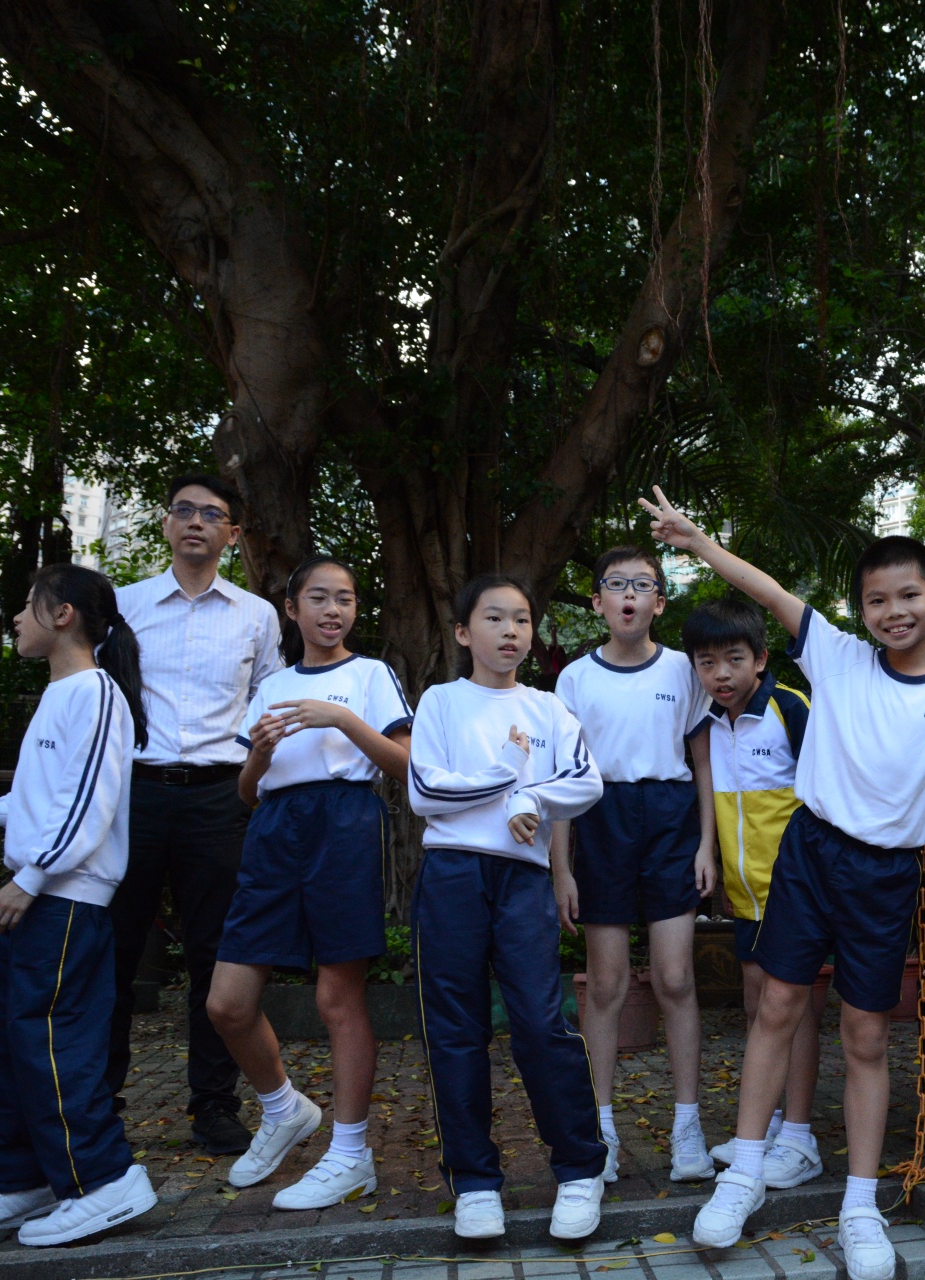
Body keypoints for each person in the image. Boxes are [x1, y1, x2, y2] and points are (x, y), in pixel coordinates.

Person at [640, 487, 925, 1280]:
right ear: (861, 610)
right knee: (777, 1006)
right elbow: (765, 590)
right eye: (877, 600)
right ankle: (743, 1174)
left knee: (865, 1035)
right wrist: (698, 543)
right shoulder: (836, 654)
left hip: (887, 874)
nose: (893, 612)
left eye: (909, 596)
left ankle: (861, 1206)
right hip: (810, 852)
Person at [0, 565, 158, 1246]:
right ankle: (22, 1180)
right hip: (39, 896)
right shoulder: (61, 693)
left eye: (27, 604)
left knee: (53, 1045)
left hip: (63, 901)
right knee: (7, 1045)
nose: (18, 617)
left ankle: (105, 1181)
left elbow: (89, 802)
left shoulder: (96, 692)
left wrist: (33, 877)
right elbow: (48, 797)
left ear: (63, 614)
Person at [204, 556, 414, 1207]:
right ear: (291, 610)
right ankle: (283, 1107)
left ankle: (350, 1153)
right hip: (274, 830)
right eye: (318, 598)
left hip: (345, 823)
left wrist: (342, 719)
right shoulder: (271, 685)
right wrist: (260, 756)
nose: (333, 610)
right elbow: (248, 792)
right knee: (227, 1003)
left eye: (344, 599)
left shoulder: (372, 675)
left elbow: (407, 766)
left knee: (337, 1000)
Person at [408, 573, 609, 1241]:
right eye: (494, 618)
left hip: (522, 881)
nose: (511, 631)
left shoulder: (548, 710)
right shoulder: (441, 701)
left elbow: (586, 782)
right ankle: (473, 1183)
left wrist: (531, 798)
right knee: (456, 1030)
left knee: (541, 1023)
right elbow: (424, 792)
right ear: (463, 632)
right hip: (451, 874)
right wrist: (506, 778)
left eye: (521, 619)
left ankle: (580, 1170)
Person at [110, 475, 284, 1153]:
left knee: (215, 954)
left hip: (219, 794)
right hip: (134, 791)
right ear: (165, 523)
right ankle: (100, 1103)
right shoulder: (122, 606)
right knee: (114, 947)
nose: (195, 522)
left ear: (232, 535)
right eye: (183, 510)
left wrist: (252, 783)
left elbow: (266, 704)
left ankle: (214, 1105)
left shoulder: (257, 615)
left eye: (212, 515)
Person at [552, 547, 715, 1183]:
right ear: (597, 601)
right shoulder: (574, 679)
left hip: (671, 819)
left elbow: (703, 762)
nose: (628, 595)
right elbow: (563, 778)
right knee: (606, 983)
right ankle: (602, 1131)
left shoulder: (682, 669)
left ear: (659, 603)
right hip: (601, 819)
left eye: (641, 585)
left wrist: (706, 844)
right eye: (616, 584)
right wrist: (561, 868)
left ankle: (688, 1128)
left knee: (675, 977)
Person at [680, 597, 825, 1189]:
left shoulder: (791, 708)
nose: (721, 674)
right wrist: (711, 857)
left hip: (794, 890)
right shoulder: (706, 722)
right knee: (755, 1004)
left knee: (794, 1009)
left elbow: (824, 792)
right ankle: (769, 1123)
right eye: (707, 662)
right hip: (745, 895)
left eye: (734, 659)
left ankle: (801, 1134)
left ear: (761, 659)